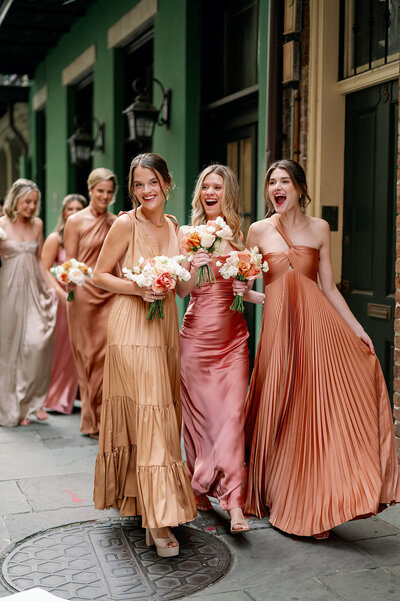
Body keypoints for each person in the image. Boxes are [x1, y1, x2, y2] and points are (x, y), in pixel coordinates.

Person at [241, 159, 400, 539]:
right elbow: (246, 288)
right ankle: (278, 492)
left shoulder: (320, 228)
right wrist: (258, 297)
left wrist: (359, 330)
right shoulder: (258, 230)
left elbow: (328, 287)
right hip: (280, 329)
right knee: (281, 403)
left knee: (310, 410)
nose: (276, 188)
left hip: (318, 328)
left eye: (283, 182)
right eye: (271, 183)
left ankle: (312, 502)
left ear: (299, 187)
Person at [93, 153, 196, 557]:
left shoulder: (174, 226)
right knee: (151, 409)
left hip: (165, 324)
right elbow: (101, 274)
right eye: (138, 184)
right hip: (131, 327)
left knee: (156, 411)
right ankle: (158, 521)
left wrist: (198, 265)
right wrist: (138, 288)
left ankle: (144, 500)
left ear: (166, 183)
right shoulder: (124, 223)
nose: (146, 191)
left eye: (152, 182)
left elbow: (183, 290)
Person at [177, 165, 260, 533]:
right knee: (199, 421)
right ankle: (200, 491)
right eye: (206, 186)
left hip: (233, 341)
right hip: (195, 339)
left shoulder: (241, 241)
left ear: (228, 195)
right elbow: (180, 292)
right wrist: (194, 266)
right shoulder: (186, 234)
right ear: (200, 194)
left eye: (218, 187)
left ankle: (235, 504)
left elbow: (250, 286)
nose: (211, 192)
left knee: (230, 420)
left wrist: (246, 287)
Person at [64, 168, 117, 437]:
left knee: (106, 355)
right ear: (90, 189)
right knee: (88, 357)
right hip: (83, 294)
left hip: (109, 294)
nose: (105, 196)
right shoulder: (75, 221)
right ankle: (90, 420)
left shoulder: (116, 221)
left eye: (109, 192)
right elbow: (70, 262)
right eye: (100, 191)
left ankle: (103, 418)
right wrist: (71, 282)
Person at [0, 179, 56, 427]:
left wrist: (53, 288)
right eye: (27, 201)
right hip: (8, 291)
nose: (31, 206)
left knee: (35, 343)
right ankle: (13, 408)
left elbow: (40, 262)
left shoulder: (37, 225)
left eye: (35, 202)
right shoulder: (1, 225)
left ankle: (30, 401)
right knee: (9, 349)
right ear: (15, 200)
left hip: (33, 290)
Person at [41, 194, 87, 414]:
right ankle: (57, 396)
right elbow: (43, 268)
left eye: (79, 208)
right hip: (62, 298)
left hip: (86, 297)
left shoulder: (87, 238)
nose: (75, 212)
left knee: (83, 346)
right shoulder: (55, 239)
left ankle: (79, 393)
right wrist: (58, 292)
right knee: (64, 346)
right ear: (64, 212)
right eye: (70, 208)